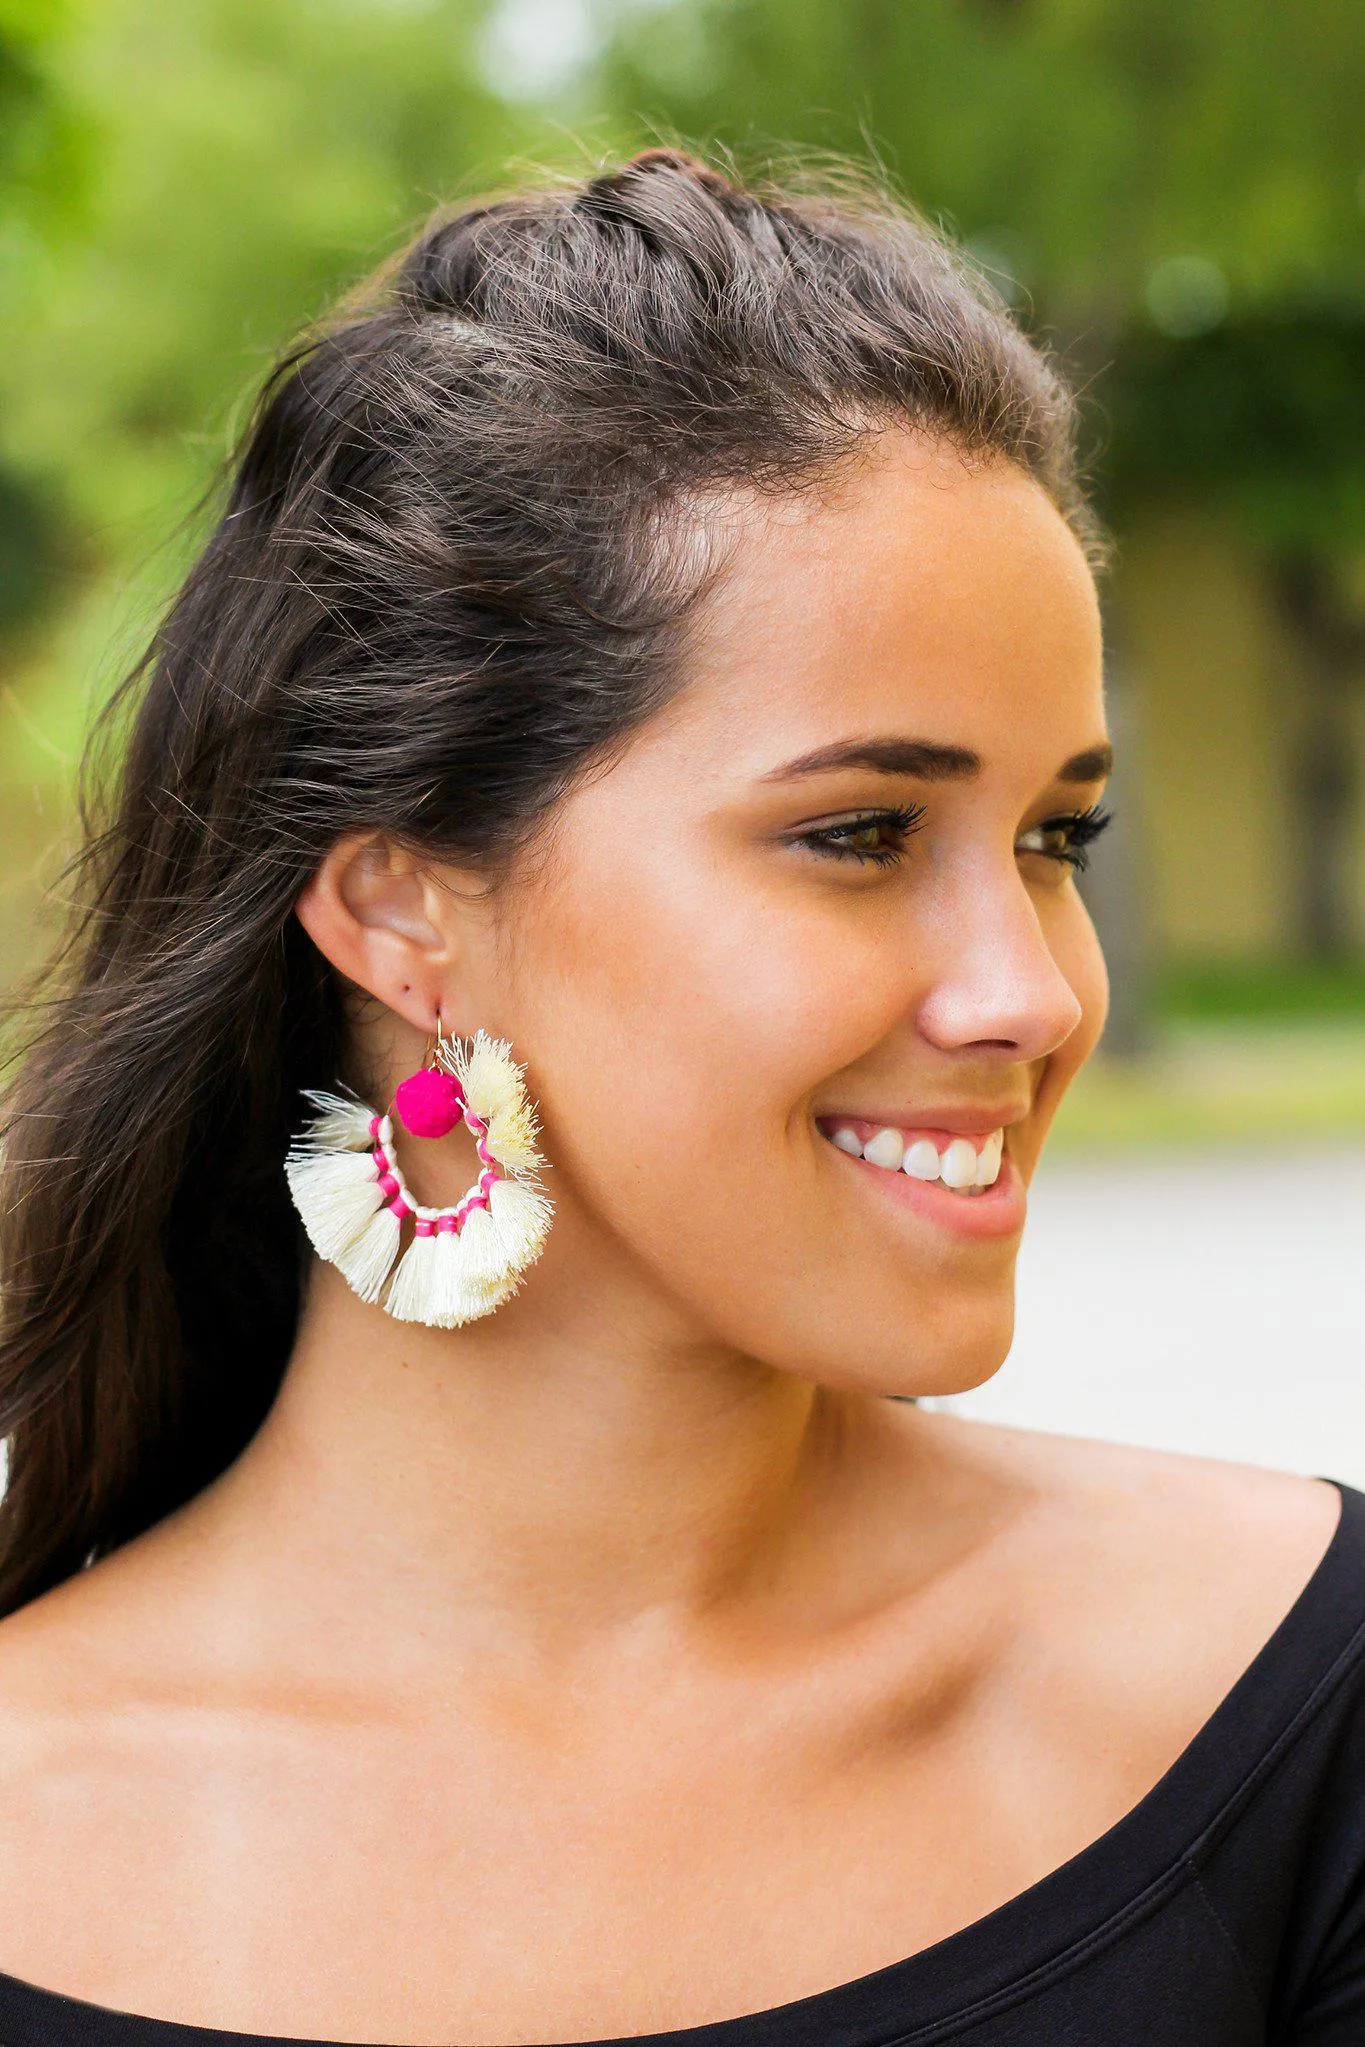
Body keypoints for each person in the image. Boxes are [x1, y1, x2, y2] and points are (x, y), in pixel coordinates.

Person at [0, 149, 1359, 2047]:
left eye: (1061, 833)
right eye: (862, 832)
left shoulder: (1293, 1701)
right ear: (405, 909)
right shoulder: (32, 1815)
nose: (1035, 993)